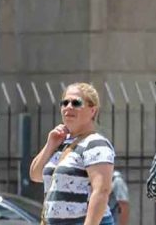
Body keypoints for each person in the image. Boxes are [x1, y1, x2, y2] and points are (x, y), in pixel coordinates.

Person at [29, 83, 116, 225]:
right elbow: (36, 175)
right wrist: (50, 144)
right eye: (65, 103)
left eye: (76, 103)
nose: (69, 107)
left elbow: (101, 191)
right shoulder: (61, 143)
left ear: (92, 110)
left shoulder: (96, 143)